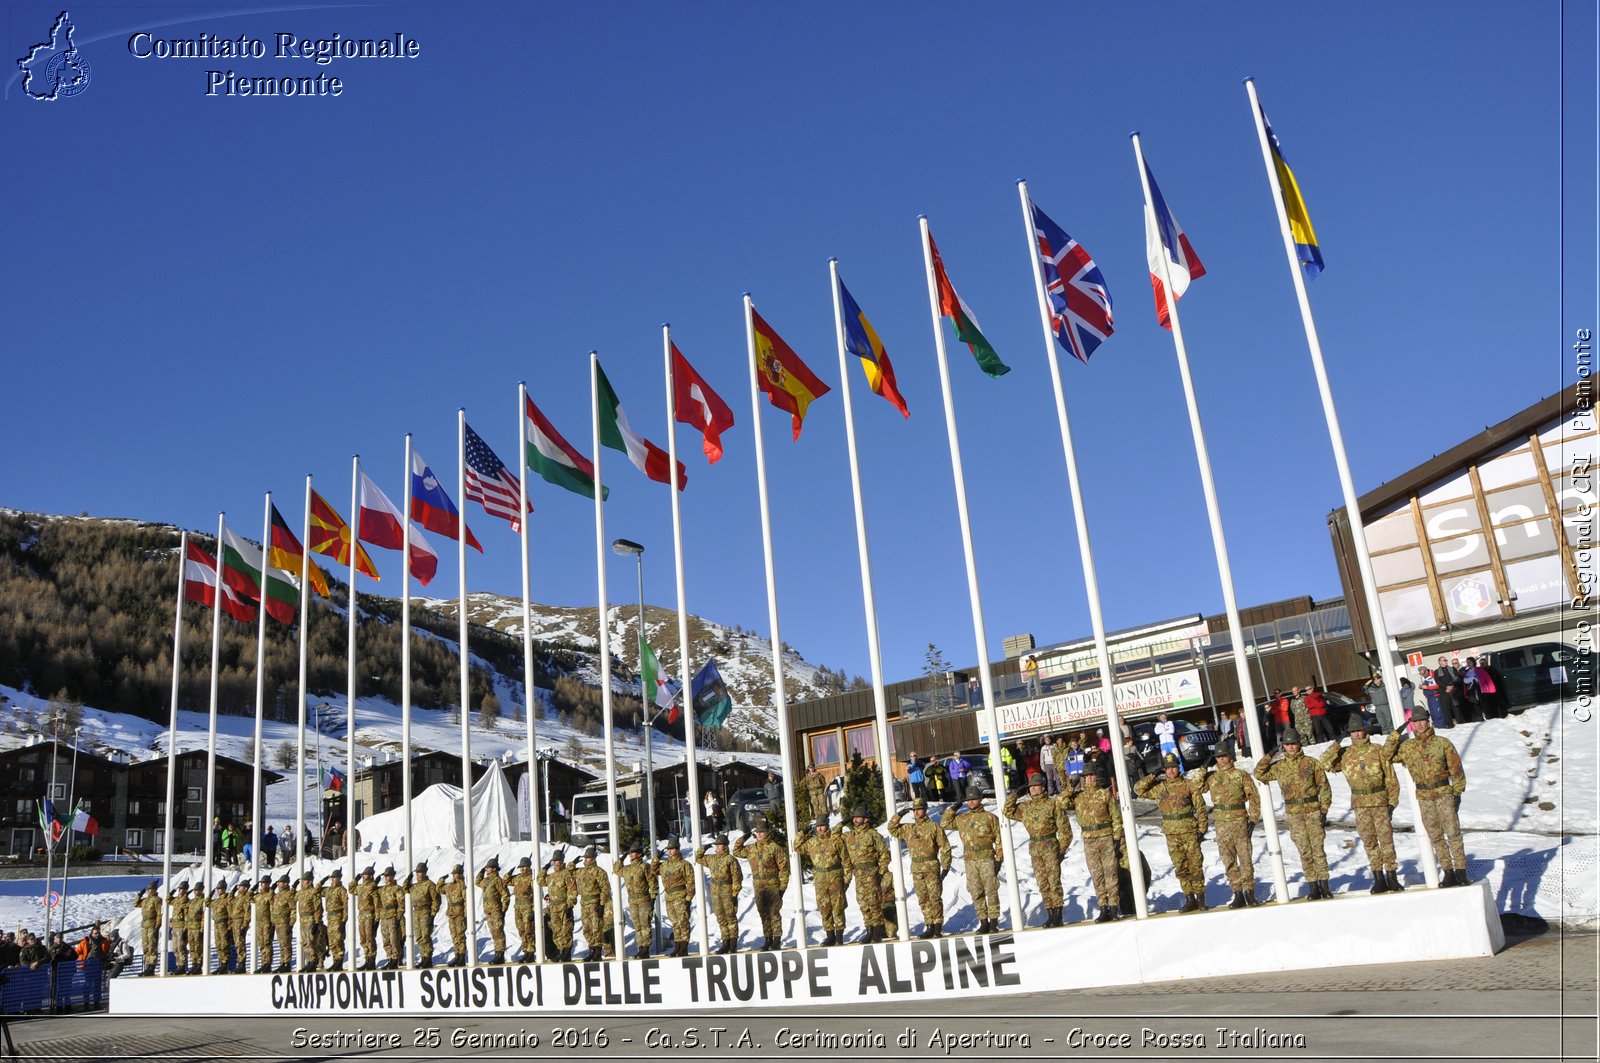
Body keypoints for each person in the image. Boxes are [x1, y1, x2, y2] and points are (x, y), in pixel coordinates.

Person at [1384, 708, 1470, 885]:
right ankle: (1448, 872)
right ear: (1412, 724)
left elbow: (1456, 769)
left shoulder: (1442, 743)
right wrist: (1396, 733)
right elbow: (1386, 755)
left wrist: (1457, 792)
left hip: (1444, 793)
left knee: (1453, 833)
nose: (1420, 724)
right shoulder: (1407, 747)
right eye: (1416, 722)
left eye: (1422, 720)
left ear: (1428, 721)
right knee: (1435, 836)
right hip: (1424, 796)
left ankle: (1461, 872)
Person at [1321, 717, 1403, 893]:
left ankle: (1392, 876)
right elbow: (1324, 763)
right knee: (1369, 841)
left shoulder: (1378, 750)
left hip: (1380, 802)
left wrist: (1392, 803)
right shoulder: (1344, 754)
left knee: (1386, 840)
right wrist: (1337, 743)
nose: (1357, 734)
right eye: (1353, 732)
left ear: (1365, 731)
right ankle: (1378, 877)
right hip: (1360, 804)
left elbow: (1391, 778)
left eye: (1359, 731)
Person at [1254, 729, 1333, 899]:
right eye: (1287, 744)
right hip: (1294, 814)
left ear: (1299, 744)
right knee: (1304, 850)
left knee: (1318, 849)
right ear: (1283, 746)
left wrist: (1324, 810)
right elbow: (1259, 773)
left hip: (1312, 810)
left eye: (1293, 744)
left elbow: (1324, 787)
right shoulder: (1280, 766)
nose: (1291, 747)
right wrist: (1271, 754)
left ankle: (1324, 885)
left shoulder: (1311, 763)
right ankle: (1313, 886)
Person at [1134, 754, 1210, 912]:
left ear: (1178, 768)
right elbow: (1138, 789)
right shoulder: (1159, 787)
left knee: (1195, 866)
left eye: (1173, 767)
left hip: (1189, 830)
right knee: (1180, 867)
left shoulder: (1188, 785)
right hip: (1172, 833)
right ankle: (1189, 898)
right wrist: (1153, 775)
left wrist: (1202, 830)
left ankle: (1200, 898)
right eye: (1167, 768)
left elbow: (1201, 808)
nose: (1171, 770)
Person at [1003, 772, 1072, 927]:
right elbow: (1007, 811)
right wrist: (1015, 795)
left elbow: (1065, 831)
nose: (1033, 789)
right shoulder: (1025, 807)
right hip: (1035, 848)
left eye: (1036, 786)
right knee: (1042, 883)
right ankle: (1050, 912)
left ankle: (1058, 914)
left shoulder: (1053, 804)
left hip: (1050, 846)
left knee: (1054, 881)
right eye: (1031, 787)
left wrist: (1061, 850)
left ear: (1043, 787)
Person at [1062, 762, 1122, 922]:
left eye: (1091, 775)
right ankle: (1103, 908)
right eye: (1086, 776)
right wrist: (1070, 787)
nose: (1089, 779)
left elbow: (1116, 817)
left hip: (1106, 837)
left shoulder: (1105, 794)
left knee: (1111, 873)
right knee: (1097, 875)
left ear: (1096, 776)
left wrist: (1116, 838)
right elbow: (1061, 803)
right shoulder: (1078, 797)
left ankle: (1114, 907)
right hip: (1089, 840)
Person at [887, 798, 952, 939]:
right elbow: (891, 828)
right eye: (915, 810)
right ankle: (929, 925)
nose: (917, 812)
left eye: (920, 809)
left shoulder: (934, 827)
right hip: (917, 869)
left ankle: (937, 926)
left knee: (935, 898)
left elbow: (945, 847)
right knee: (923, 899)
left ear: (925, 810)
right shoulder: (909, 829)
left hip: (931, 867)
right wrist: (900, 814)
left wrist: (945, 866)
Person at [732, 819, 788, 950]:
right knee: (763, 914)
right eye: (757, 832)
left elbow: (784, 869)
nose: (759, 834)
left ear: (767, 833)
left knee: (774, 914)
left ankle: (777, 940)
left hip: (773, 886)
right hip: (759, 887)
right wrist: (745, 836)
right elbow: (736, 850)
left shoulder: (775, 848)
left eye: (762, 832)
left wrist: (782, 888)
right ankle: (767, 939)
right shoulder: (751, 849)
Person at [793, 819, 850, 946]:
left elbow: (846, 860)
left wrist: (847, 879)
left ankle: (839, 937)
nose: (819, 829)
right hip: (820, 880)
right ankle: (830, 936)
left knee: (838, 907)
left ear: (827, 826)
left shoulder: (836, 840)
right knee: (824, 908)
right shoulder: (812, 842)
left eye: (822, 826)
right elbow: (796, 846)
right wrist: (803, 832)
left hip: (835, 877)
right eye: (818, 826)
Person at [843, 806, 890, 943]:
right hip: (858, 874)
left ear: (866, 819)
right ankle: (869, 930)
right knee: (863, 904)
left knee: (874, 903)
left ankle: (877, 932)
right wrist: (843, 822)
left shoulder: (873, 835)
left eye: (858, 817)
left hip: (871, 873)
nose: (856, 820)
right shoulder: (850, 836)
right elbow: (834, 835)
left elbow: (884, 855)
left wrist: (881, 872)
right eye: (854, 818)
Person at [693, 834, 743, 954]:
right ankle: (725, 942)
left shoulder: (730, 860)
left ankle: (733, 943)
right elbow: (698, 858)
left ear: (725, 846)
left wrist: (735, 894)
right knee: (720, 917)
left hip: (727, 890)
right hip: (716, 891)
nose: (717, 847)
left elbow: (737, 877)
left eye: (719, 845)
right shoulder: (712, 858)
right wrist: (704, 847)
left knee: (730, 917)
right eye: (716, 845)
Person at [614, 841, 659, 958]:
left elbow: (653, 883)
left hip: (644, 900)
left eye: (633, 852)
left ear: (639, 854)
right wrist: (621, 858)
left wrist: (653, 898)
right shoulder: (627, 869)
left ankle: (646, 948)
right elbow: (616, 870)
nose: (631, 855)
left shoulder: (645, 867)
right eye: (630, 853)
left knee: (645, 925)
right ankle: (640, 947)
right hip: (633, 901)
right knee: (637, 926)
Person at [654, 839, 696, 957]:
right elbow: (653, 870)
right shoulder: (665, 865)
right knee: (675, 923)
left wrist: (688, 898)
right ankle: (677, 946)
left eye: (672, 849)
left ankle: (684, 947)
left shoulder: (684, 864)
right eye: (668, 849)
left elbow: (691, 882)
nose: (670, 852)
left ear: (677, 849)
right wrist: (657, 858)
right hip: (669, 897)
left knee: (683, 922)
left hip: (680, 896)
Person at [574, 846, 615, 961]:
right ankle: (591, 949)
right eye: (585, 857)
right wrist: (573, 863)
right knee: (587, 929)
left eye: (588, 857)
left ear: (593, 858)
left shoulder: (599, 872)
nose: (585, 859)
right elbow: (569, 871)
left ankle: (597, 951)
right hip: (584, 903)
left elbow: (605, 889)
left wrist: (602, 904)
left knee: (596, 927)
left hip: (594, 903)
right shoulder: (581, 871)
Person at [538, 851, 578, 961]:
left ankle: (566, 952)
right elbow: (540, 881)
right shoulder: (551, 876)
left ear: (562, 861)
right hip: (553, 908)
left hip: (564, 906)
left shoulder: (566, 874)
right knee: (557, 931)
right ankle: (561, 950)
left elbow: (572, 890)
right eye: (554, 861)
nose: (556, 863)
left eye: (558, 860)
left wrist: (570, 905)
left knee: (566, 931)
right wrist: (544, 869)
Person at [477, 856, 510, 963]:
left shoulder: (497, 880)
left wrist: (503, 910)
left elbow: (505, 895)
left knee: (498, 932)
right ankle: (497, 953)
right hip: (489, 911)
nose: (486, 869)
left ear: (494, 869)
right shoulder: (486, 881)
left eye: (488, 868)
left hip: (496, 911)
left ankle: (500, 955)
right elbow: (477, 882)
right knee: (494, 933)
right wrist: (481, 872)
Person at [406, 863, 440, 968]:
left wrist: (433, 914)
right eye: (417, 872)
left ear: (425, 873)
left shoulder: (430, 884)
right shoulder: (415, 886)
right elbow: (405, 888)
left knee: (426, 935)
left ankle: (428, 958)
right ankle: (423, 957)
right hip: (416, 912)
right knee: (419, 936)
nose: (418, 874)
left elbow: (436, 900)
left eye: (420, 872)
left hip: (426, 911)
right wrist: (407, 880)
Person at [295, 872, 327, 972]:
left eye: (304, 881)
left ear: (309, 881)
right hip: (302, 920)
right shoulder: (301, 893)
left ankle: (313, 961)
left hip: (310, 919)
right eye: (302, 881)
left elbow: (317, 907)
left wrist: (317, 922)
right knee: (305, 942)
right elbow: (293, 896)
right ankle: (309, 961)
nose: (302, 883)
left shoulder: (313, 892)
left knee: (311, 942)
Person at [374, 867, 405, 969]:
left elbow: (401, 904)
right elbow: (371, 893)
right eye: (386, 876)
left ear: (393, 875)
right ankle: (390, 958)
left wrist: (399, 917)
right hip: (384, 917)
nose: (387, 877)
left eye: (389, 875)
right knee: (386, 940)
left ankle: (395, 959)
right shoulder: (382, 889)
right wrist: (374, 883)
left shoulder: (397, 888)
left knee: (394, 940)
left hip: (393, 917)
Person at [509, 857, 537, 962]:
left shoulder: (531, 878)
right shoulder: (517, 878)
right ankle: (525, 951)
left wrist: (534, 908)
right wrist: (509, 873)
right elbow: (506, 881)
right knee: (521, 930)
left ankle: (531, 952)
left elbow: (536, 893)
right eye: (521, 867)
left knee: (528, 930)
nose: (522, 869)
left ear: (529, 867)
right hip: (518, 908)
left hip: (527, 907)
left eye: (524, 867)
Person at [440, 864, 468, 965]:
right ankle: (457, 955)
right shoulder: (450, 886)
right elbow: (439, 889)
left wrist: (465, 913)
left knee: (460, 936)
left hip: (460, 913)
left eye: (456, 874)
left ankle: (462, 957)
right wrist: (441, 880)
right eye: (454, 874)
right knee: (454, 936)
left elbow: (466, 900)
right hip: (451, 913)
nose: (454, 876)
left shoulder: (462, 885)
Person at [322, 869, 348, 971]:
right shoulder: (328, 890)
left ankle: (339, 962)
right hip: (330, 918)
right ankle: (335, 961)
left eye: (335, 877)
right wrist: (322, 881)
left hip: (338, 918)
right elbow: (316, 891)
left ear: (340, 878)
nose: (333, 879)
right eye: (332, 878)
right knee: (332, 942)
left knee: (338, 941)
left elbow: (346, 906)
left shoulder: (342, 890)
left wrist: (344, 920)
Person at [353, 867, 379, 970]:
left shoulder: (373, 886)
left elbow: (377, 903)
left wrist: (377, 918)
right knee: (363, 938)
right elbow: (351, 889)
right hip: (361, 915)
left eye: (366, 874)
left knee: (369, 937)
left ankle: (372, 959)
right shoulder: (360, 887)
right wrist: (355, 880)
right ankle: (367, 958)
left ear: (371, 875)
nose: (364, 876)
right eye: (363, 874)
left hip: (369, 915)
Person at [137, 881, 163, 976]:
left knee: (152, 946)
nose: (149, 891)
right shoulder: (145, 900)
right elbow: (136, 904)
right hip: (145, 925)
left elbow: (159, 914)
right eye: (148, 889)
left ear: (155, 889)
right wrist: (139, 895)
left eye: (150, 889)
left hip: (152, 924)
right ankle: (147, 965)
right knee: (146, 947)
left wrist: (157, 926)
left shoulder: (157, 900)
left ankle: (151, 967)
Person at [270, 878, 295, 973]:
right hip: (277, 923)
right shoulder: (277, 895)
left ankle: (287, 963)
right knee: (281, 944)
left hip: (285, 922)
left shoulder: (288, 895)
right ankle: (283, 962)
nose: (279, 884)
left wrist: (291, 924)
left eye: (281, 882)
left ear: (286, 883)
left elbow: (293, 909)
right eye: (278, 882)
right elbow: (273, 908)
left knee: (286, 943)